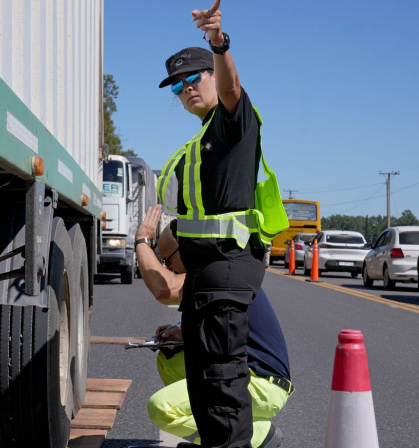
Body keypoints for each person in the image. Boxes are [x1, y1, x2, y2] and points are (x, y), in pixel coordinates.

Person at [151, 1, 288, 446]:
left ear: (212, 74)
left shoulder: (232, 125)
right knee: (206, 389)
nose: (187, 88)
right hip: (205, 278)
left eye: (195, 77)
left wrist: (218, 43)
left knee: (224, 392)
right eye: (177, 85)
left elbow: (232, 90)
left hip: (227, 272)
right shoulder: (200, 137)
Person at [134, 206, 292, 448]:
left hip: (264, 384)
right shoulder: (211, 268)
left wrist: (142, 241)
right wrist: (182, 331)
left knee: (161, 409)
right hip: (244, 371)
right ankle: (210, 431)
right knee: (170, 358)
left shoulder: (215, 270)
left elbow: (165, 290)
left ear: (187, 248)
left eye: (168, 260)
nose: (168, 268)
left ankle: (256, 434)